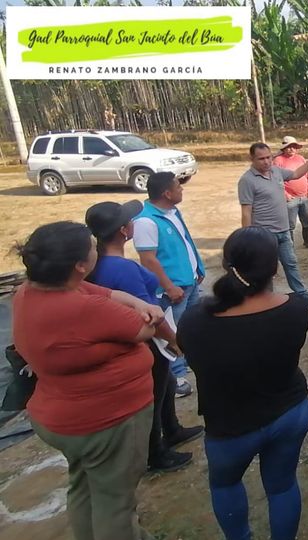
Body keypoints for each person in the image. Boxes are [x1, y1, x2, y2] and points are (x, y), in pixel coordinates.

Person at [12, 221, 164, 540]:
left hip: (61, 418)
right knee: (115, 503)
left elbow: (103, 292)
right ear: (80, 266)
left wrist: (136, 302)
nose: (97, 248)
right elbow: (145, 329)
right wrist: (147, 311)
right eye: (92, 247)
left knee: (84, 486)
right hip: (105, 422)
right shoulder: (83, 308)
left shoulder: (31, 291)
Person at [177, 227, 308, 540]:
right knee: (282, 485)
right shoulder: (296, 309)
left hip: (230, 428)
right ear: (275, 268)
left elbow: (189, 353)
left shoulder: (196, 320)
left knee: (225, 485)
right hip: (290, 414)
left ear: (226, 264)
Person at [85, 200, 204, 473]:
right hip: (146, 341)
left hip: (126, 338)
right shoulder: (122, 269)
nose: (133, 223)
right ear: (123, 230)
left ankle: (172, 429)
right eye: (130, 220)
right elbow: (150, 315)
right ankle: (155, 453)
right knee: (153, 394)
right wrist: (174, 340)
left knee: (166, 383)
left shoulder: (98, 265)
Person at [134, 172, 206, 398]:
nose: (181, 189)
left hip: (189, 282)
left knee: (189, 326)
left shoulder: (173, 212)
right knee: (171, 330)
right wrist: (168, 287)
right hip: (173, 289)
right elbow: (148, 260)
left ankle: (190, 360)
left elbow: (185, 242)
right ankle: (176, 377)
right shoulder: (145, 221)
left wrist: (198, 268)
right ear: (167, 193)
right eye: (178, 187)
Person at [238, 142, 308, 307]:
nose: (266, 162)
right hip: (264, 236)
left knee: (291, 265)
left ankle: (303, 297)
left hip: (284, 232)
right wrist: (248, 239)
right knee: (266, 271)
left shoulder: (276, 171)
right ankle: (267, 303)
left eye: (268, 157)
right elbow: (246, 212)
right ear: (251, 159)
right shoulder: (247, 181)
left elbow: (297, 174)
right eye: (261, 159)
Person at [273, 136, 308, 249]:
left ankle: (307, 242)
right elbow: (276, 180)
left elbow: (307, 174)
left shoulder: (300, 158)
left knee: (307, 221)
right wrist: (285, 194)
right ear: (284, 148)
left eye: (294, 146)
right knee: (290, 224)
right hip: (290, 199)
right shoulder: (278, 161)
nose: (291, 149)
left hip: (304, 196)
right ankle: (290, 246)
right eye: (289, 147)